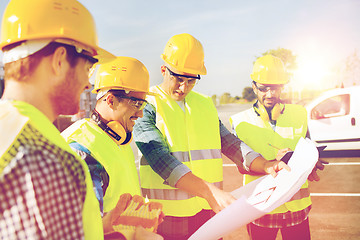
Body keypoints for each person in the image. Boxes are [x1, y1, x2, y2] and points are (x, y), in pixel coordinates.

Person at [133, 33, 289, 240]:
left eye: (191, 81)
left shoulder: (205, 104)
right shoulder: (146, 105)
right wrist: (210, 192)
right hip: (166, 217)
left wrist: (265, 165)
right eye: (178, 79)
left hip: (208, 212)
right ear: (164, 70)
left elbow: (231, 143)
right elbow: (160, 160)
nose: (183, 87)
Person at [0, 0, 115, 239]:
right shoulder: (44, 158)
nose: (88, 84)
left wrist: (109, 226)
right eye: (87, 67)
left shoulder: (9, 128)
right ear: (59, 60)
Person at [61, 56, 164, 239]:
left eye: (143, 104)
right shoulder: (83, 148)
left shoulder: (116, 139)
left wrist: (138, 220)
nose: (140, 113)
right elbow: (82, 230)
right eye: (137, 103)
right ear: (110, 100)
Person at [230, 55, 327, 240]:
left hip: (296, 208)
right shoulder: (241, 122)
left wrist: (312, 161)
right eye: (263, 88)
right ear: (254, 87)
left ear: (282, 87)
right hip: (261, 207)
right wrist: (273, 164)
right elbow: (241, 166)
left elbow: (308, 146)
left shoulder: (299, 114)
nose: (269, 94)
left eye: (275, 88)